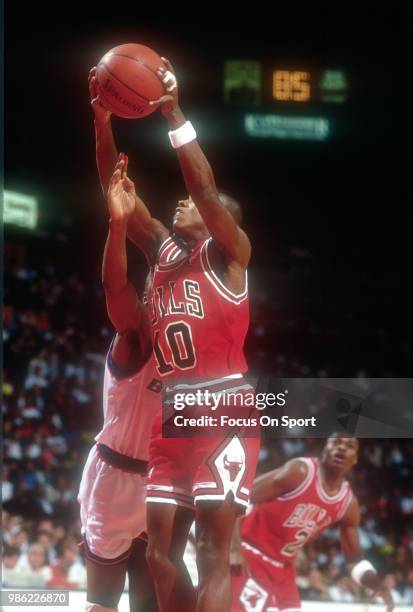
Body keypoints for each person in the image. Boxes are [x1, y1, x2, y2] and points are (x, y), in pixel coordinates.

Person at [89, 58, 260, 612]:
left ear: (220, 222)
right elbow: (115, 188)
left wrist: (174, 113)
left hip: (224, 406)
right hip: (173, 417)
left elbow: (204, 188)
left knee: (213, 552)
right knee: (159, 557)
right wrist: (102, 121)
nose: (180, 203)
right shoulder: (163, 249)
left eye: (197, 207)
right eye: (180, 203)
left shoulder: (231, 257)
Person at [78, 158, 160, 612]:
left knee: (149, 606)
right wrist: (117, 222)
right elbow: (115, 283)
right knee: (102, 606)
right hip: (115, 477)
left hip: (160, 484)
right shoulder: (135, 335)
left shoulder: (190, 349)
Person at [230, 434, 394, 612]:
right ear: (325, 450)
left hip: (284, 570)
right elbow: (239, 497)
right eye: (336, 443)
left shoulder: (348, 504)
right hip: (250, 555)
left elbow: (355, 560)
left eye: (350, 446)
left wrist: (377, 584)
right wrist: (233, 548)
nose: (341, 447)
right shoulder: (300, 472)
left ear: (355, 459)